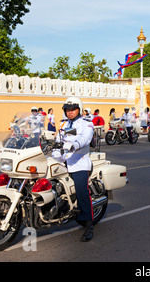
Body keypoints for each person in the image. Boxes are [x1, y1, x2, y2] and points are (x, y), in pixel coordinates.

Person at [52, 97, 95, 242]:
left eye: (73, 109)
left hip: (80, 163)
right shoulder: (64, 124)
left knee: (82, 190)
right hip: (63, 162)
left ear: (80, 110)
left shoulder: (86, 124)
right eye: (67, 110)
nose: (69, 112)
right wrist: (56, 152)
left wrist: (74, 145)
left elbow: (85, 139)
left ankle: (88, 223)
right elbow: (58, 141)